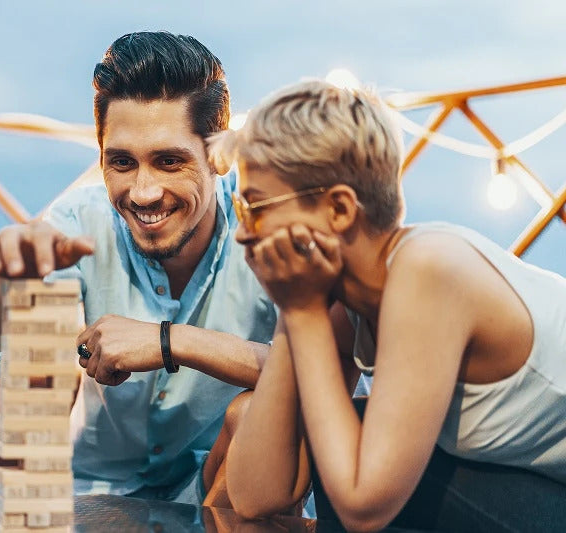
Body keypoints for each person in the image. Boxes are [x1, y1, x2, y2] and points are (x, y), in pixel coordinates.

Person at [211, 79, 566, 531]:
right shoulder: (343, 302)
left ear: (339, 210)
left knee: (356, 452)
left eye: (254, 208)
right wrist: (297, 315)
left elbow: (363, 507)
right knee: (342, 435)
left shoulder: (428, 269)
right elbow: (258, 495)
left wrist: (302, 312)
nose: (242, 232)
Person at [0, 31, 278, 505]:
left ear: (220, 157)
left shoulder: (269, 235)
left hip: (224, 490)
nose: (143, 192)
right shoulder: (78, 224)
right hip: (95, 498)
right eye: (123, 163)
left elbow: (318, 381)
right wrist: (11, 282)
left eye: (170, 162)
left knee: (260, 414)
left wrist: (169, 341)